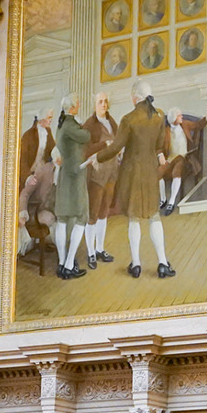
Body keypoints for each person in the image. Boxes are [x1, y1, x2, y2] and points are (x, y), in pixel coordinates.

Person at [93, 79, 175, 278]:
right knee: (154, 216)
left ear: (134, 97)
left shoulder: (128, 119)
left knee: (134, 218)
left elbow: (115, 148)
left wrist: (96, 157)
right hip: (150, 174)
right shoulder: (159, 116)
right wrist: (158, 154)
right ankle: (163, 263)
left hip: (131, 174)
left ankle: (136, 264)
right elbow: (158, 145)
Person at [52, 94, 92, 278]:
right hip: (74, 177)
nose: (80, 104)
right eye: (78, 103)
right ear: (73, 107)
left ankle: (62, 264)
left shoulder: (61, 125)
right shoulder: (71, 125)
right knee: (81, 218)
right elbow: (87, 136)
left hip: (64, 177)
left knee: (62, 219)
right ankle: (68, 265)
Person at [83, 92, 119, 266]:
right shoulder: (89, 125)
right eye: (100, 102)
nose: (103, 105)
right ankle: (90, 252)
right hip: (96, 174)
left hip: (112, 172)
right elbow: (85, 150)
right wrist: (103, 145)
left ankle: (100, 248)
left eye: (105, 101)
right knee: (93, 213)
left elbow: (119, 142)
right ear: (94, 105)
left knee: (104, 211)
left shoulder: (112, 122)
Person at [159, 107, 190, 215]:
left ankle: (171, 202)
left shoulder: (184, 125)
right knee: (158, 172)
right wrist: (160, 154)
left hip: (182, 157)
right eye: (179, 116)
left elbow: (198, 125)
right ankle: (163, 199)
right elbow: (158, 145)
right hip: (170, 158)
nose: (182, 117)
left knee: (176, 172)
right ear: (173, 118)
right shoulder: (165, 130)